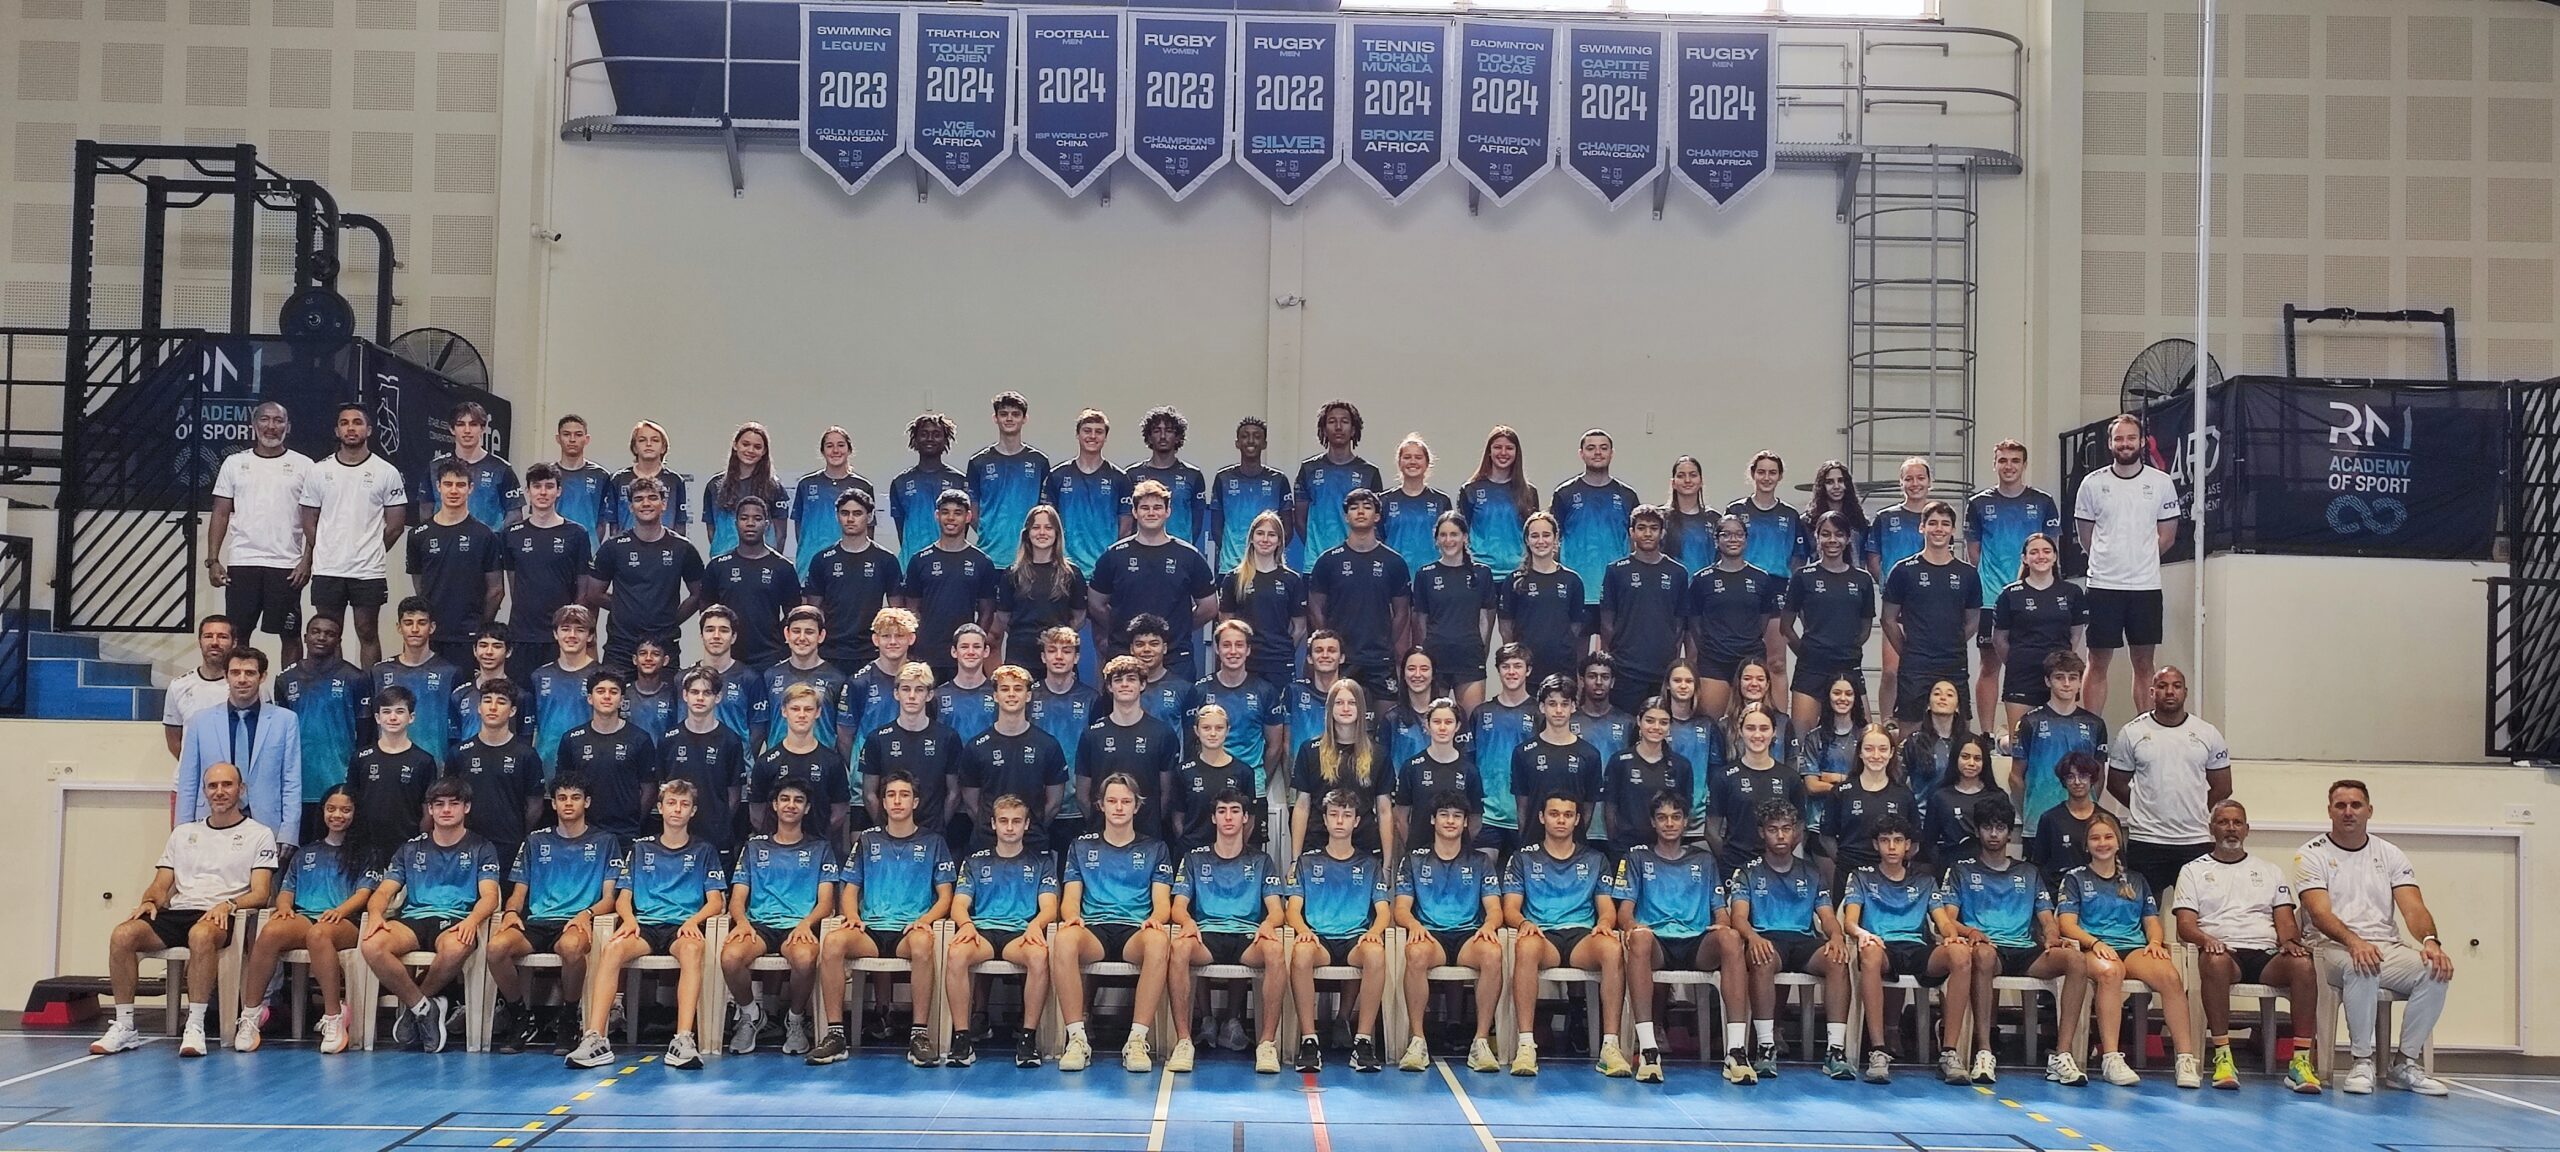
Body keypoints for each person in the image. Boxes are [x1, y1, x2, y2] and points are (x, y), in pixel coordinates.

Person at [90, 762, 279, 1057]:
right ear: (204, 792)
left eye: (227, 785)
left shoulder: (259, 834)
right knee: (122, 935)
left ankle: (195, 1026)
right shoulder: (183, 833)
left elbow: (261, 893)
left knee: (201, 935)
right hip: (179, 911)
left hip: (220, 914)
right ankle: (125, 1026)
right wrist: (149, 900)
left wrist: (229, 904)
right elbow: (160, 884)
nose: (219, 792)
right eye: (213, 786)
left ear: (241, 789)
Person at [2294, 780, 2454, 1097]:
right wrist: (2354, 942)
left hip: (2385, 946)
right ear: (2329, 811)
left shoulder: (2390, 854)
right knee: (2363, 964)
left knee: (2434, 970)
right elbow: (2320, 913)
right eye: (2340, 806)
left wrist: (2431, 941)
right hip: (2329, 947)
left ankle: (2404, 1064)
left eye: (2356, 805)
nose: (2348, 812)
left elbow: (2413, 908)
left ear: (2369, 810)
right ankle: (2361, 1061)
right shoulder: (2310, 854)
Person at [567, 778, 726, 1070]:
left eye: (684, 804)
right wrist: (628, 919)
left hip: (682, 927)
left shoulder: (705, 850)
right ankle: (595, 1038)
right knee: (613, 949)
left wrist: (694, 920)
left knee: (692, 950)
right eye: (671, 803)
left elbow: (716, 901)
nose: (677, 809)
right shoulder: (640, 849)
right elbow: (623, 897)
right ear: (660, 808)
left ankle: (683, 1040)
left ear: (693, 811)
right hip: (645, 927)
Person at [1931, 792, 2088, 1086]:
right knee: (1983, 955)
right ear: (1977, 831)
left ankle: (2062, 1055)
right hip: (1989, 950)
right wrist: (1970, 932)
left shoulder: (2029, 871)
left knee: (2077, 960)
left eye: (2000, 827)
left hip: (2027, 951)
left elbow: (2047, 919)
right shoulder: (1961, 871)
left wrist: (2052, 936)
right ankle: (1984, 1051)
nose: (1994, 834)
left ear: (2009, 832)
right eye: (1987, 827)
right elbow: (1948, 920)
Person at [2173, 799, 2325, 1092]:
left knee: (2303, 965)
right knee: (2214, 961)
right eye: (2223, 822)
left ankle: (2300, 1062)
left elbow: (2285, 921)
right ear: (2211, 829)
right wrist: (2207, 940)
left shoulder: (2270, 871)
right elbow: (2185, 925)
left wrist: (2290, 942)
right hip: (2223, 952)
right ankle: (2223, 1057)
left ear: (2247, 829)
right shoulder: (2192, 871)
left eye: (2237, 822)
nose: (2231, 828)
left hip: (2266, 954)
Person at [2055, 808, 2201, 1088]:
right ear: (2086, 845)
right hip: (2093, 947)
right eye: (2095, 838)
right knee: (2111, 973)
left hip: (2132, 947)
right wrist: (2094, 943)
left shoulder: (2136, 879)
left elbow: (2152, 921)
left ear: (2118, 841)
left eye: (2108, 837)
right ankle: (2111, 1057)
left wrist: (2155, 942)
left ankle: (2185, 1058)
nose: (2102, 843)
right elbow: (2067, 924)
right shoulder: (2075, 878)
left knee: (2169, 976)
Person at [358, 775, 502, 1055]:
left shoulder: (482, 847)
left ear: (466, 808)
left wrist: (472, 920)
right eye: (439, 804)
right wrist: (375, 914)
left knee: (456, 947)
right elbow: (383, 892)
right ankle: (424, 1007)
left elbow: (490, 897)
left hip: (457, 917)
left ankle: (416, 1008)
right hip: (415, 917)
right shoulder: (410, 848)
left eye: (454, 803)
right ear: (430, 809)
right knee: (371, 945)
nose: (446, 810)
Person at [1614, 792, 1748, 1083]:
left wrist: (1723, 925)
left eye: (1676, 817)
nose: (1669, 823)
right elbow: (1624, 912)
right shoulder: (1637, 857)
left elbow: (1720, 911)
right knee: (1639, 939)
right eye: (1662, 818)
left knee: (1731, 938)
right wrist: (1633, 926)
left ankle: (1736, 1051)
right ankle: (1648, 1049)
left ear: (1686, 822)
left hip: (1696, 942)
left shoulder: (1704, 859)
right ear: (1653, 822)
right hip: (1656, 942)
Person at [486, 773, 619, 1056]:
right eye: (562, 798)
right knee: (496, 948)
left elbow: (610, 898)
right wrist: (510, 911)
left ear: (587, 802)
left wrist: (587, 913)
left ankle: (568, 1018)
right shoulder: (535, 841)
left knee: (571, 948)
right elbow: (519, 892)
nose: (568, 803)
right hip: (537, 922)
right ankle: (520, 1016)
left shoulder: (605, 841)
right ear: (554, 804)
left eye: (575, 798)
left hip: (575, 922)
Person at [1051, 773, 1176, 1073]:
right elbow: (1070, 899)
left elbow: (1162, 905)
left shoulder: (1155, 848)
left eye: (1125, 801)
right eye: (1112, 801)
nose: (1119, 807)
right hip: (1094, 929)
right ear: (1101, 805)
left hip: (1136, 930)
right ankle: (1077, 1039)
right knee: (1064, 938)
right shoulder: (1080, 846)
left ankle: (1136, 1040)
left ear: (1136, 806)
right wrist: (1072, 917)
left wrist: (1155, 920)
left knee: (1159, 940)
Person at [234, 785, 370, 1053]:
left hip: (345, 922)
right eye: (331, 809)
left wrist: (341, 911)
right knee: (271, 931)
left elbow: (364, 893)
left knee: (319, 934)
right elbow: (287, 889)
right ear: (322, 812)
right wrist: (284, 907)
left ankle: (333, 1017)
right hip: (307, 916)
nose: (337, 815)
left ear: (356, 813)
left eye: (345, 810)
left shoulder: (366, 853)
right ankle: (251, 1015)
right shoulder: (306, 852)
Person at [1502, 792, 1626, 1077]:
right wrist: (1523, 922)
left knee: (1612, 948)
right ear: (1542, 817)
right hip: (1543, 935)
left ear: (1577, 820)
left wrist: (1605, 923)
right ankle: (1526, 1045)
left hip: (1582, 937)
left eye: (1568, 815)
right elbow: (1510, 908)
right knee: (1526, 946)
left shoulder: (1595, 858)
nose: (1561, 820)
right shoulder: (1523, 858)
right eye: (1554, 814)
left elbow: (1607, 909)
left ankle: (1610, 1046)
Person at [1729, 798, 1852, 1080]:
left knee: (1837, 959)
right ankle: (1765, 1047)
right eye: (1773, 829)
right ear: (1762, 832)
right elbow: (1738, 917)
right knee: (1762, 958)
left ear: (1796, 831)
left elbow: (1827, 916)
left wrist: (1836, 936)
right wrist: (1753, 937)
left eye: (1786, 829)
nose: (1781, 836)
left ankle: (1835, 1050)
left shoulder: (1812, 871)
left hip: (1803, 940)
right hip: (1767, 939)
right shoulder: (1748, 872)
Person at [1169, 790, 1287, 1074]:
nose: (1228, 817)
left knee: (1275, 950)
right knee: (1179, 947)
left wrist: (1268, 924)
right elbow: (1178, 907)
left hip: (1247, 937)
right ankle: (1184, 1041)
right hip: (1207, 935)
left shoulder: (1261, 860)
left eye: (1235, 811)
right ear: (1213, 818)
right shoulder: (1194, 858)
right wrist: (1187, 922)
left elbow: (1277, 910)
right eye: (1222, 811)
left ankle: (1266, 1044)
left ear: (1245, 818)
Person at [2074, 414, 2182, 717]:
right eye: (2119, 438)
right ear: (2110, 443)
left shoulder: (2160, 483)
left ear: (2142, 441)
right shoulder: (2092, 484)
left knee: (2144, 663)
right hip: (2102, 586)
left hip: (2145, 587)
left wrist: (2141, 558)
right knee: (2097, 661)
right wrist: (2110, 559)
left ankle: (2145, 729)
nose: (2125, 444)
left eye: (2131, 438)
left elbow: (2168, 537)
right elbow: (2086, 537)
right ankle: (2092, 731)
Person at [721, 779, 838, 1056]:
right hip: (759, 925)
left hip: (799, 925)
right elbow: (737, 899)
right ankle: (751, 1014)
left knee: (805, 959)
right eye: (785, 799)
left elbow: (826, 902)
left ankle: (795, 1019)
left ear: (807, 808)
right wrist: (742, 922)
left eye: (798, 800)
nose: (791, 805)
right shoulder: (753, 847)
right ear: (774, 805)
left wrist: (806, 924)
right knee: (730, 957)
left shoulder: (820, 848)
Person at [945, 793, 1062, 1068]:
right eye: (1004, 821)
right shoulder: (974, 861)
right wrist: (967, 924)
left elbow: (1050, 907)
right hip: (982, 933)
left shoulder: (1041, 862)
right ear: (993, 824)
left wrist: (1036, 925)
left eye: (1016, 821)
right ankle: (962, 1039)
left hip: (1020, 934)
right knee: (956, 954)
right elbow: (958, 904)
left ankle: (1027, 1039)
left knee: (1038, 956)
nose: (1010, 827)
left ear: (1026, 825)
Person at [1281, 789, 1393, 1073]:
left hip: (1355, 939)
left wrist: (1375, 931)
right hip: (1319, 939)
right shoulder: (1306, 862)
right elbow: (1292, 909)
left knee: (1376, 954)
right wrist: (1303, 930)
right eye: (1334, 815)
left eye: (1346, 815)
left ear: (1357, 821)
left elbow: (1383, 911)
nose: (1340, 821)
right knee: (1301, 953)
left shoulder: (1370, 864)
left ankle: (1363, 1042)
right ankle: (1309, 1041)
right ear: (1325, 820)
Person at [1395, 791, 1507, 1072]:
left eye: (1457, 816)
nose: (1450, 821)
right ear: (1433, 819)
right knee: (1415, 953)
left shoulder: (1480, 860)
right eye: (1444, 815)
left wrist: (1489, 925)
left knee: (1493, 953)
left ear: (1465, 822)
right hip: (1431, 936)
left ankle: (1480, 1042)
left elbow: (1495, 908)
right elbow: (1401, 909)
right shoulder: (1413, 860)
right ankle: (1418, 1041)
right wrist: (1414, 925)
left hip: (1469, 936)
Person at [1839, 814, 1951, 1083]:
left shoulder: (1925, 880)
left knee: (1959, 954)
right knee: (1869, 952)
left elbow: (1944, 922)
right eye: (1885, 840)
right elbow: (1850, 923)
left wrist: (1952, 936)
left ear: (1908, 846)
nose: (1891, 846)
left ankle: (1950, 1052)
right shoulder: (1861, 877)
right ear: (1875, 845)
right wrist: (1863, 934)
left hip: (1917, 947)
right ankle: (1878, 1050)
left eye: (1898, 840)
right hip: (1882, 946)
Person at [298, 404, 408, 667]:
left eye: (357, 422)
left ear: (368, 430)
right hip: (328, 568)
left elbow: (395, 525)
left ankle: (370, 688)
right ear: (337, 430)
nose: (351, 428)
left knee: (367, 631)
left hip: (368, 570)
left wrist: (371, 550)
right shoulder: (319, 471)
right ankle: (333, 685)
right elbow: (308, 520)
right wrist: (325, 548)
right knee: (329, 633)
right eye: (344, 423)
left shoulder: (386, 472)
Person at [2107, 666, 2230, 895]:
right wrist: (2145, 807)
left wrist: (2197, 809)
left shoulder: (2207, 733)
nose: (2170, 692)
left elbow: (2223, 786)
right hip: (2146, 840)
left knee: (2199, 910)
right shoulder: (2132, 732)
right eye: (2162, 686)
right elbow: (2115, 783)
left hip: (2195, 839)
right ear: (2152, 692)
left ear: (2185, 692)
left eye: (2176, 686)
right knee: (2143, 910)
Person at [1966, 440, 2065, 721]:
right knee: (1989, 667)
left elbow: (2051, 550)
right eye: (2003, 460)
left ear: (2024, 465)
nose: (2008, 466)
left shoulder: (2043, 502)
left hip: (2036, 597)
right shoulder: (1979, 504)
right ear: (1994, 464)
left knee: (2041, 666)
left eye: (2015, 461)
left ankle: (2044, 727)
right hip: (1991, 597)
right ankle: (1987, 733)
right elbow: (1974, 553)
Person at [208, 400, 310, 666]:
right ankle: (240, 686)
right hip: (243, 562)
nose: (271, 426)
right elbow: (220, 512)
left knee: (290, 635)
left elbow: (314, 519)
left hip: (287, 566)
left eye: (278, 420)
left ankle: (289, 688)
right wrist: (213, 560)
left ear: (288, 426)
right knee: (238, 634)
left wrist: (307, 560)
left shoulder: (305, 465)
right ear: (254, 425)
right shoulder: (234, 463)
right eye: (265, 419)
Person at [175, 646, 302, 850]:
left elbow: (291, 780)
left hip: (267, 823)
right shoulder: (200, 721)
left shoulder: (285, 721)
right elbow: (188, 781)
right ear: (226, 676)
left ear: (262, 677)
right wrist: (182, 831)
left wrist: (289, 834)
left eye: (250, 673)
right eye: (235, 673)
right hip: (210, 821)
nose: (242, 679)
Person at [1091, 480, 1218, 682]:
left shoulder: (1189, 556)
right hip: (1125, 653)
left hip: (1175, 656)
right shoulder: (1113, 556)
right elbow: (1096, 604)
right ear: (1134, 512)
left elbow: (1209, 607)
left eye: (1158, 507)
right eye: (1145, 508)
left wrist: (1179, 628)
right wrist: (1120, 627)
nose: (1151, 513)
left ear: (1168, 511)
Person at [586, 475, 706, 670]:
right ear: (631, 507)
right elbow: (593, 593)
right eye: (639, 499)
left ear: (664, 504)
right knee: (611, 691)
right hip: (621, 646)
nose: (646, 503)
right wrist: (624, 608)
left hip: (664, 645)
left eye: (652, 497)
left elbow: (698, 594)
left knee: (667, 691)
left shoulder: (683, 548)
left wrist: (672, 620)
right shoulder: (613, 547)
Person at [1880, 501, 1980, 724]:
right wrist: (1908, 650)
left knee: (1959, 731)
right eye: (1932, 523)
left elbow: (1973, 619)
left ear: (1953, 530)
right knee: (1910, 731)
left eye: (1945, 524)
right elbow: (1887, 619)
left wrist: (1952, 642)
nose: (1939, 529)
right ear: (1922, 527)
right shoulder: (1903, 570)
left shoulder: (1968, 574)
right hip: (1915, 665)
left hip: (1953, 663)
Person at [957, 665, 1069, 853]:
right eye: (1004, 689)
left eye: (1018, 689)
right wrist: (996, 830)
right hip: (987, 842)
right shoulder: (976, 746)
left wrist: (1029, 828)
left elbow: (1054, 803)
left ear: (1028, 695)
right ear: (995, 696)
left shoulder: (1048, 745)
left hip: (1033, 842)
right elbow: (971, 804)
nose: (1011, 694)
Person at [1308, 489, 1410, 695]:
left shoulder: (1394, 562)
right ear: (1346, 517)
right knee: (1340, 711)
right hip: (1342, 659)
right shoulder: (1328, 561)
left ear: (1377, 516)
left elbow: (1402, 612)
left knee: (1387, 714)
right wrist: (1330, 642)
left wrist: (1386, 643)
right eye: (1354, 508)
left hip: (1379, 658)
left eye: (1367, 507)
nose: (1360, 512)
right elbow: (1315, 606)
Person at [276, 615, 366, 841]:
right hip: (298, 785)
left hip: (339, 784)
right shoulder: (286, 679)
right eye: (316, 632)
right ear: (305, 637)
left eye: (329, 634)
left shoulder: (355, 678)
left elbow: (366, 734)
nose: (321, 637)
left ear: (338, 640)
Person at [408, 459, 505, 668]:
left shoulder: (485, 535)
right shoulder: (418, 535)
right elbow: (419, 585)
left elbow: (496, 590)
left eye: (460, 485)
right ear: (438, 487)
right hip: (431, 633)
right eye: (448, 484)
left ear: (470, 488)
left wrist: (479, 626)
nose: (454, 491)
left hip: (467, 635)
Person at [502, 463, 594, 683]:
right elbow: (513, 583)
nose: (543, 492)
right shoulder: (511, 534)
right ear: (528, 491)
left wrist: (570, 628)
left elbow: (583, 590)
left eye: (549, 486)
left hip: (560, 636)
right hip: (522, 634)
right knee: (520, 696)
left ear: (559, 491)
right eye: (537, 486)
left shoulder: (577, 533)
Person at [1689, 514, 1786, 718]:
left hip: (1750, 658)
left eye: (1739, 534)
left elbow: (1763, 620)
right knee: (1712, 724)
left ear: (1746, 539)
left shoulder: (1761, 578)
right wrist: (1711, 644)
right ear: (1716, 540)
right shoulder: (1701, 579)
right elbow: (1695, 623)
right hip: (1714, 661)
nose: (1733, 539)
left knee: (1753, 721)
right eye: (1726, 534)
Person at [1986, 534, 2084, 729]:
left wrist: (2060, 662)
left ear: (2055, 556)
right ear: (2024, 558)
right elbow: (1999, 640)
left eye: (2046, 551)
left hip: (2059, 677)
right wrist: (2018, 660)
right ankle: (2003, 739)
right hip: (2021, 677)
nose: (2041, 556)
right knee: (2020, 739)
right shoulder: (2009, 595)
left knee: (2060, 738)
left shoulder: (2072, 592)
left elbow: (2075, 635)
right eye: (2034, 552)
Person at [2009, 650, 2109, 839]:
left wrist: (2088, 807)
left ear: (2080, 682)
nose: (2066, 683)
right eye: (2059, 677)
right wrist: (2029, 813)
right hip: (2038, 823)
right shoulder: (2029, 722)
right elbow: (2015, 777)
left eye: (2073, 677)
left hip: (2084, 825)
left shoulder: (2095, 724)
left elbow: (2099, 776)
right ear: (2048, 681)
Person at [1291, 679, 1393, 863]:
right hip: (1318, 843)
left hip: (1364, 846)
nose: (1345, 708)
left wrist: (1386, 864)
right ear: (1330, 708)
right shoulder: (1309, 750)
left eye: (1352, 703)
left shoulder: (1378, 754)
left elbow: (1384, 810)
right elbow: (1302, 807)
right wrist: (1294, 860)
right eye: (1339, 702)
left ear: (1361, 708)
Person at [859, 664, 964, 842]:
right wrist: (887, 827)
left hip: (933, 835)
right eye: (906, 689)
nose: (912, 696)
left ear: (929, 695)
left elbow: (954, 793)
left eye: (919, 689)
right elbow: (869, 794)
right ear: (896, 693)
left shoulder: (948, 737)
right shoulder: (877, 739)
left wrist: (937, 828)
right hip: (889, 836)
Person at [900, 489, 998, 680]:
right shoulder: (919, 560)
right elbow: (911, 610)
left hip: (963, 655)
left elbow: (987, 611)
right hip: (926, 654)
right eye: (945, 512)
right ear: (937, 516)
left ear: (968, 517)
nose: (951, 518)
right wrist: (915, 645)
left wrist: (974, 643)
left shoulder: (982, 562)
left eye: (957, 513)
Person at [803, 487, 903, 672]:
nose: (850, 519)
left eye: (857, 513)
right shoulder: (822, 560)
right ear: (837, 516)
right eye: (845, 513)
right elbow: (813, 611)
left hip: (872, 651)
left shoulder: (886, 559)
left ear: (870, 517)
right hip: (830, 651)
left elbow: (897, 613)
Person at [554, 668, 659, 840]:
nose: (607, 696)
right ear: (590, 698)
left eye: (613, 692)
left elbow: (649, 789)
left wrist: (634, 821)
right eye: (600, 691)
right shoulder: (571, 740)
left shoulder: (640, 738)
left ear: (621, 700)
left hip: (625, 832)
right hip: (582, 831)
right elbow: (563, 786)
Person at [445, 677, 542, 863]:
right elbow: (449, 800)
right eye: (487, 701)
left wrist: (519, 833)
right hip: (466, 844)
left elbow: (535, 806)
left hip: (509, 844)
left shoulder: (526, 755)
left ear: (512, 711)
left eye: (501, 702)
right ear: (479, 707)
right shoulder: (459, 753)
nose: (493, 707)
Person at [1598, 506, 1684, 712]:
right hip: (1626, 669)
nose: (1647, 533)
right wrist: (1614, 658)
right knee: (1627, 725)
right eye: (1642, 527)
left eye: (1653, 528)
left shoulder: (1677, 572)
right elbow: (1606, 621)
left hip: (1662, 669)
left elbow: (1680, 623)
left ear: (1662, 533)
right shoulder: (1616, 571)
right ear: (1632, 532)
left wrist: (1670, 657)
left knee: (1659, 725)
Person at [1709, 703, 1807, 878]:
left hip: (1777, 869)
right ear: (1740, 731)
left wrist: (1780, 854)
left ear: (1774, 732)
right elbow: (1711, 830)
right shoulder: (1724, 777)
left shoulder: (1790, 778)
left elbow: (1799, 827)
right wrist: (1730, 860)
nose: (1757, 735)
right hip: (1735, 868)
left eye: (1764, 728)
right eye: (1750, 728)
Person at [703, 495, 801, 668]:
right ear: (736, 523)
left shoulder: (783, 567)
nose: (750, 523)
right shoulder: (718, 566)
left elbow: (792, 616)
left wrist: (778, 644)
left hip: (769, 658)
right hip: (727, 657)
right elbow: (706, 613)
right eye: (744, 518)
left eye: (757, 518)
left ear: (766, 524)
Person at [660, 666, 749, 853]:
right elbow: (660, 787)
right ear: (685, 695)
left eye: (707, 693)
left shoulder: (730, 741)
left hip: (715, 838)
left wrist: (718, 823)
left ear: (718, 697)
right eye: (694, 692)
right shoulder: (668, 739)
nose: (700, 698)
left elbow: (734, 796)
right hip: (676, 838)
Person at [1412, 513, 1496, 711]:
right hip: (1436, 657)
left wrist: (1480, 651)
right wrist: (1426, 654)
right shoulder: (1425, 575)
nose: (1448, 540)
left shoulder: (1482, 574)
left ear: (1465, 537)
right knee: (1435, 720)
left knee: (1472, 720)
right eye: (1443, 535)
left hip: (1469, 657)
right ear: (1436, 539)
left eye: (1454, 534)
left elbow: (1485, 620)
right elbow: (1421, 620)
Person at [1191, 620, 1285, 795]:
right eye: (1226, 645)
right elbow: (1192, 740)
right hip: (1209, 782)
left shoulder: (1265, 691)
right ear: (1217, 649)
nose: (1233, 651)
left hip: (1252, 783)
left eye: (1239, 645)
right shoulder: (1200, 690)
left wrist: (1260, 779)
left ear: (1248, 650)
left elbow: (1275, 746)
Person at [746, 683, 851, 840]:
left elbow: (839, 811)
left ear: (818, 712)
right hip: (776, 848)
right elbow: (756, 813)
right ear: (784, 711)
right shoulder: (766, 762)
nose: (802, 715)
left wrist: (817, 841)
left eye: (808, 709)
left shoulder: (833, 762)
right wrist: (779, 841)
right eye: (795, 709)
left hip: (820, 846)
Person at [1549, 430, 1638, 609]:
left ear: (1612, 453)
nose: (1598, 453)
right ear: (1581, 453)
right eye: (1591, 448)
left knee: (1612, 629)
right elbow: (1553, 541)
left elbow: (1635, 543)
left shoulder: (1627, 496)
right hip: (1574, 588)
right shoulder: (1564, 494)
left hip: (1617, 589)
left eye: (1603, 448)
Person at [1218, 511, 1307, 689]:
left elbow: (1300, 627)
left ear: (1280, 541)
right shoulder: (1234, 578)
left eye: (1272, 535)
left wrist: (1284, 649)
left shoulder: (1292, 580)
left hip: (1279, 663)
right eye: (1260, 533)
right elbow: (1226, 623)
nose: (1265, 539)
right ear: (1251, 538)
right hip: (1246, 662)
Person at [1512, 675, 1601, 850]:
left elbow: (1588, 808)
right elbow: (1522, 807)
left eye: (1564, 704)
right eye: (1552, 704)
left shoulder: (1590, 754)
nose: (1559, 710)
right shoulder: (1523, 752)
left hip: (1574, 848)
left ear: (1573, 707)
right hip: (1533, 845)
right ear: (1542, 707)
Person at [350, 686, 437, 864]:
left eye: (399, 711)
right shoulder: (361, 758)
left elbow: (427, 812)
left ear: (411, 717)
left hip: (408, 847)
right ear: (377, 718)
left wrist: (420, 842)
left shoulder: (424, 761)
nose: (392, 717)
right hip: (366, 846)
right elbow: (352, 802)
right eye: (386, 711)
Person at [1029, 627, 1101, 841]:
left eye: (1066, 651)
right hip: (1036, 805)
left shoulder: (1092, 699)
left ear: (1077, 657)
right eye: (1052, 650)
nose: (1059, 656)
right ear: (1043, 657)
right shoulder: (1028, 696)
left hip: (1078, 807)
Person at [1502, 511, 1588, 691]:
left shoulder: (1572, 580)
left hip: (1562, 669)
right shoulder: (1515, 580)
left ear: (1556, 538)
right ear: (1527, 540)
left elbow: (1575, 628)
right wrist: (1517, 659)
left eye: (1546, 535)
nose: (1541, 541)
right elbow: (1506, 628)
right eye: (1535, 536)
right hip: (1527, 671)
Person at [1294, 400, 1384, 569]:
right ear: (1324, 429)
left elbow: (1376, 521)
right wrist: (1315, 548)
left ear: (1353, 430)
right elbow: (1299, 520)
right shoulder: (1308, 469)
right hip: (1316, 563)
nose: (1338, 427)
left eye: (1344, 421)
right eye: (1332, 421)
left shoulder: (1369, 472)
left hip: (1358, 562)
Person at [995, 506, 1085, 671]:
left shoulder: (1072, 573)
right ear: (1027, 533)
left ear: (1057, 533)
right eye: (1036, 527)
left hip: (1058, 654)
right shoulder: (1012, 573)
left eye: (1048, 527)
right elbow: (1003, 617)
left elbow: (1079, 617)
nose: (1042, 533)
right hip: (1020, 653)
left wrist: (1056, 638)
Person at [1468, 647, 1539, 855]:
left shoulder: (1540, 713)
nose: (1511, 672)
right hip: (1487, 815)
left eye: (1517, 666)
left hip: (1526, 815)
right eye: (1505, 666)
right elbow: (1468, 763)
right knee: (1485, 870)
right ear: (1498, 670)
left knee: (1524, 873)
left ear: (1528, 670)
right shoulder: (1481, 713)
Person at [373, 598, 463, 762]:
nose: (415, 629)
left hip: (436, 764)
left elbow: (456, 727)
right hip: (387, 764)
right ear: (399, 627)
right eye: (408, 623)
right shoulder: (380, 671)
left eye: (422, 623)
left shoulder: (450, 672)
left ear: (432, 627)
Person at [754, 606, 852, 755]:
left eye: (809, 632)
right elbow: (760, 729)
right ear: (786, 634)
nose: (801, 638)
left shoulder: (837, 679)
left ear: (821, 636)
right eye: (796, 631)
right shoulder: (770, 676)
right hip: (777, 763)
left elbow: (843, 732)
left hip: (823, 764)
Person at [1601, 699, 1690, 858]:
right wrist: (1616, 846)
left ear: (1670, 726)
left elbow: (1684, 811)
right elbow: (1610, 809)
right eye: (1650, 721)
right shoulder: (1620, 761)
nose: (1656, 727)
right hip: (1625, 849)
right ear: (1639, 721)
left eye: (1663, 722)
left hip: (1664, 851)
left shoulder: (1681, 766)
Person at [1827, 724, 1919, 879]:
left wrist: (1894, 864)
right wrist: (1844, 862)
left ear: (1891, 752)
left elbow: (1914, 842)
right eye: (1869, 749)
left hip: (1891, 877)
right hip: (1850, 873)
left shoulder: (1904, 795)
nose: (1876, 755)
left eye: (1883, 749)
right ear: (1860, 752)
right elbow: (1826, 837)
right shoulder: (1842, 792)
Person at [1049, 408, 1134, 575]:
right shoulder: (1057, 475)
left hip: (1104, 569)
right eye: (1087, 431)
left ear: (1105, 437)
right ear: (1077, 434)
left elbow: (1125, 528)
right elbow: (1049, 522)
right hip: (1065, 567)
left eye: (1099, 432)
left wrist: (1113, 562)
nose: (1093, 436)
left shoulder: (1120, 478)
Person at [1392, 698, 1479, 856]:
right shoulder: (1411, 767)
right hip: (1419, 855)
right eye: (1437, 722)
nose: (1442, 728)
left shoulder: (1470, 770)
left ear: (1457, 726)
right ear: (1427, 725)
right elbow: (1401, 818)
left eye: (1448, 722)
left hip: (1457, 857)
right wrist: (1414, 849)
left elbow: (1475, 821)